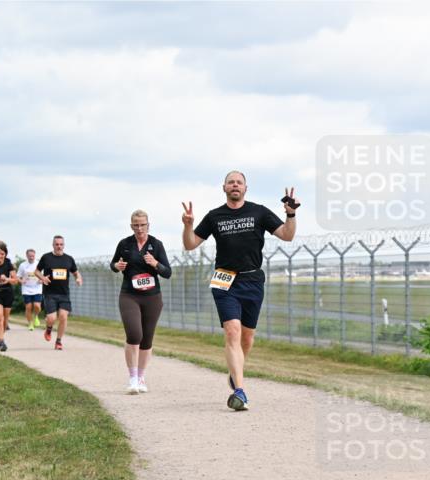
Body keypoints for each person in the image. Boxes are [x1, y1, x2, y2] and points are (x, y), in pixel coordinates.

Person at [181, 171, 298, 410]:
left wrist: (291, 214)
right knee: (232, 331)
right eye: (231, 182)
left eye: (239, 182)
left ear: (246, 188)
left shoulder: (259, 212)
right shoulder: (215, 216)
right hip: (224, 280)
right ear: (224, 187)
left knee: (247, 337)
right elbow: (190, 244)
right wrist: (188, 225)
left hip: (252, 280)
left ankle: (236, 372)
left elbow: (287, 235)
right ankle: (240, 391)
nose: (235, 185)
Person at [111, 209, 172, 393]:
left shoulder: (156, 244)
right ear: (131, 226)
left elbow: (167, 272)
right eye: (136, 225)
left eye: (142, 225)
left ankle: (141, 378)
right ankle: (132, 378)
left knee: (147, 339)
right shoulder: (124, 244)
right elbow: (113, 264)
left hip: (152, 297)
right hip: (129, 294)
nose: (139, 229)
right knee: (134, 334)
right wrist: (117, 266)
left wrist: (155, 264)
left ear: (148, 225)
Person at [36, 235, 82, 351]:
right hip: (50, 293)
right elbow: (36, 271)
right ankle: (49, 328)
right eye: (57, 244)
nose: (59, 246)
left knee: (63, 316)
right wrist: (43, 278)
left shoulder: (69, 259)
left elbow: (76, 273)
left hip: (64, 294)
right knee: (51, 318)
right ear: (53, 245)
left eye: (61, 244)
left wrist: (78, 279)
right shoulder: (46, 257)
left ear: (64, 245)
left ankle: (58, 341)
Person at [17, 248, 44, 331]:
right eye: (30, 256)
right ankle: (30, 323)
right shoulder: (22, 265)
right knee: (28, 307)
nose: (31, 257)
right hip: (26, 288)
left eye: (33, 256)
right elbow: (18, 277)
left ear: (35, 256)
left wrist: (41, 280)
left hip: (37, 288)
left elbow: (43, 276)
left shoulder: (39, 264)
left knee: (37, 306)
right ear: (27, 256)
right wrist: (21, 281)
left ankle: (36, 316)